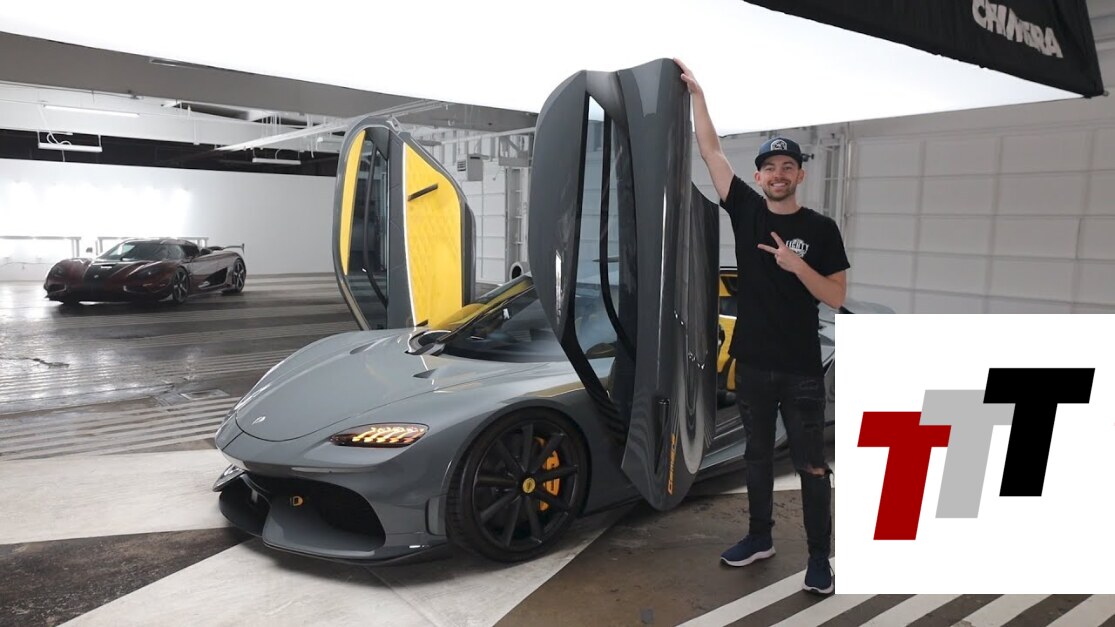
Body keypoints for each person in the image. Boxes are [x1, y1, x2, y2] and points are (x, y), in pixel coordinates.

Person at [675, 58, 850, 596]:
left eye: (787, 167)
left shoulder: (822, 229)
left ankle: (819, 557)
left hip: (801, 370)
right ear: (758, 177)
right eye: (769, 167)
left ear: (800, 175)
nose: (778, 174)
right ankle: (759, 538)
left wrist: (798, 266)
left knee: (811, 466)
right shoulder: (747, 210)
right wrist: (699, 98)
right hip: (751, 363)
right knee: (755, 458)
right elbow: (711, 152)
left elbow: (837, 297)